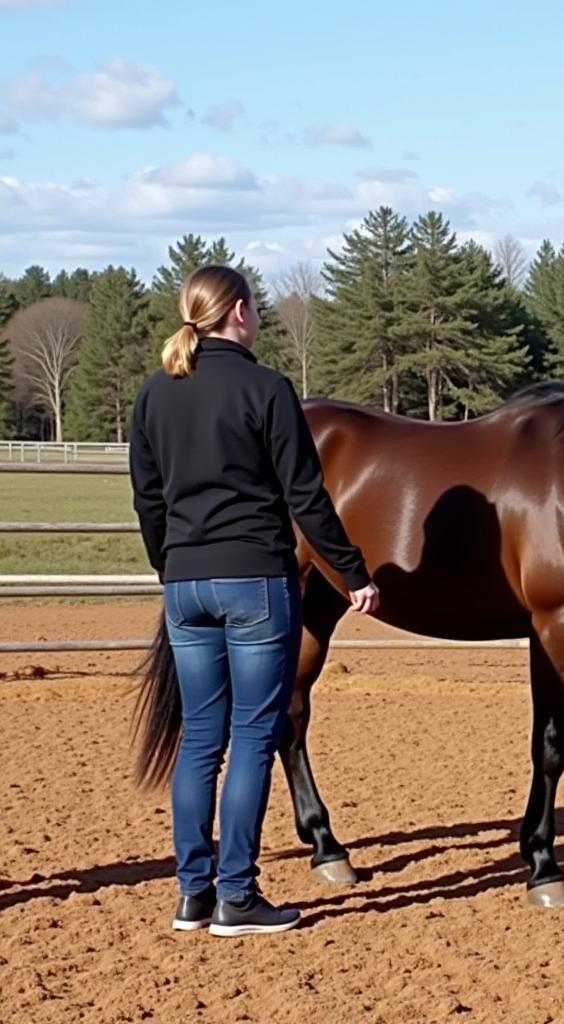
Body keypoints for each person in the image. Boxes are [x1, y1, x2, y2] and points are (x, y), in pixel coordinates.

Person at [129, 265, 379, 937]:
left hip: (185, 584)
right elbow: (307, 498)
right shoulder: (267, 389)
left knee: (200, 740)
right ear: (238, 312)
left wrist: (170, 565)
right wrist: (353, 572)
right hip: (256, 584)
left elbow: (148, 501)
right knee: (251, 737)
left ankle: (193, 895)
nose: (260, 316)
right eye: (257, 307)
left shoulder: (154, 395)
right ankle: (237, 894)